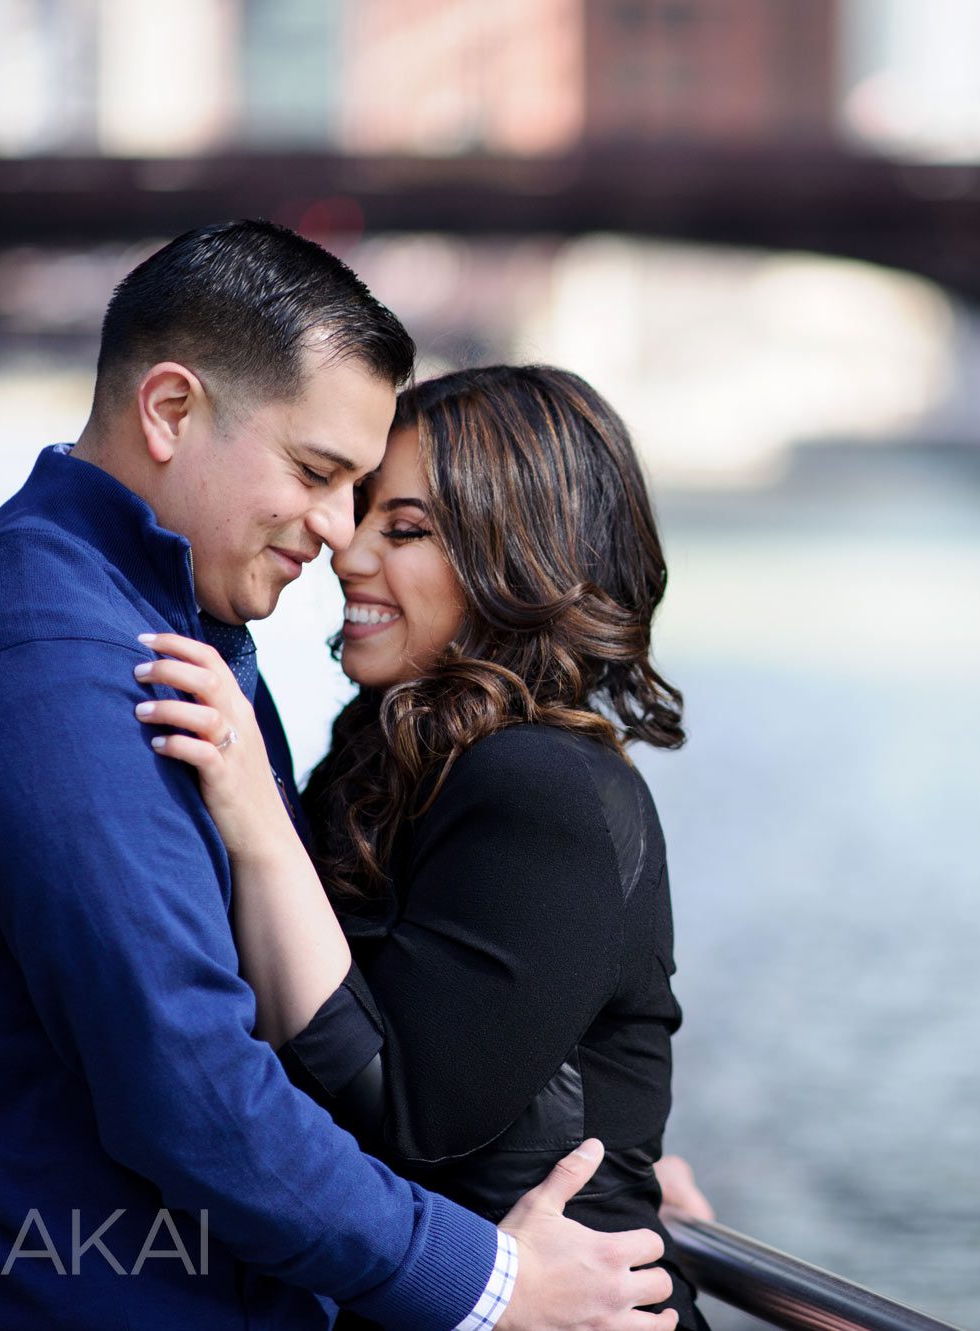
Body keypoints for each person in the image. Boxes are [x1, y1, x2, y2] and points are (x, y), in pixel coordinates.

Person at [0, 221, 679, 1331]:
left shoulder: (163, 624)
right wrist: (487, 1281)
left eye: (374, 501)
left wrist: (615, 1157)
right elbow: (199, 1093)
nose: (336, 534)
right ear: (169, 410)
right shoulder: (66, 675)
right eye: (316, 472)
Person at [130, 365, 707, 1330]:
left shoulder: (545, 785)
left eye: (404, 530)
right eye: (359, 511)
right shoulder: (380, 751)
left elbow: (403, 1113)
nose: (345, 550)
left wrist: (255, 819)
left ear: (519, 558)